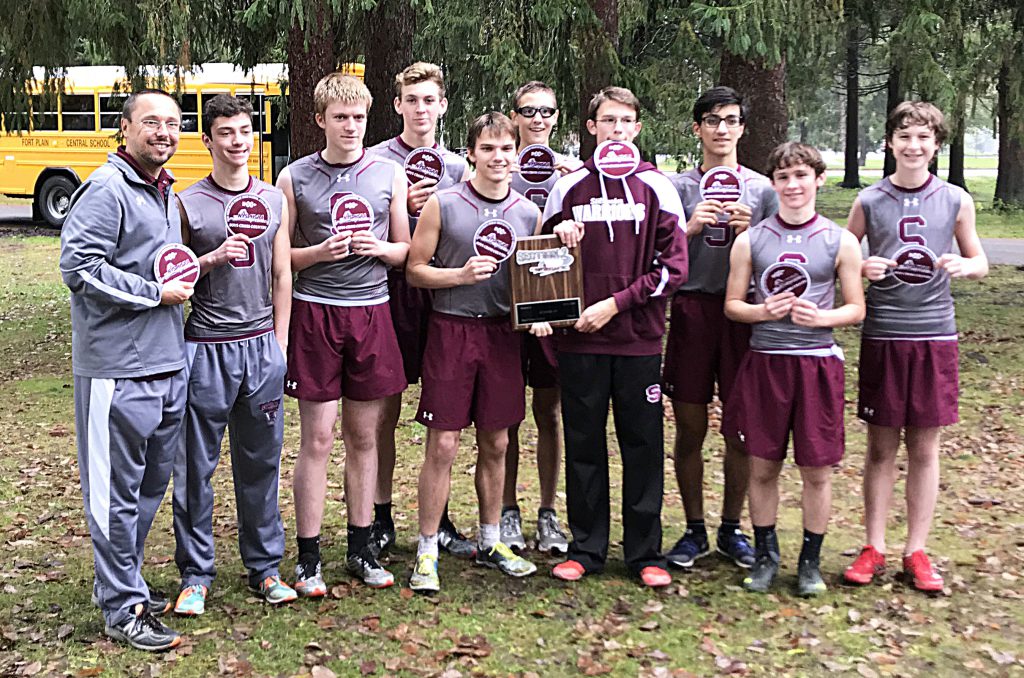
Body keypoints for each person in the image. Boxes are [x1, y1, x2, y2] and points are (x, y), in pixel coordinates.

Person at [59, 89, 192, 650]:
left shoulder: (163, 191)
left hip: (166, 364)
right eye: (151, 122)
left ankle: (119, 581)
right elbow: (78, 268)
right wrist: (153, 293)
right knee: (114, 493)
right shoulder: (107, 188)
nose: (163, 132)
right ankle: (122, 608)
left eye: (173, 123)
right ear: (125, 128)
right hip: (117, 369)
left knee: (148, 487)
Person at [542, 86, 688, 588]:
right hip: (581, 340)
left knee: (642, 444)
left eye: (627, 121)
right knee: (583, 445)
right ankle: (586, 548)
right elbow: (542, 264)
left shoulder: (658, 187)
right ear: (591, 128)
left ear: (638, 128)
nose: (618, 129)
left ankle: (645, 552)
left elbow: (674, 269)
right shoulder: (569, 188)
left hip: (638, 340)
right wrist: (559, 234)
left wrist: (616, 304)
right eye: (608, 121)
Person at [842, 102, 988, 593]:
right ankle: (874, 546)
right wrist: (863, 268)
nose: (913, 145)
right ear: (889, 143)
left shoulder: (955, 199)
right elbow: (839, 257)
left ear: (937, 146)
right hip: (884, 332)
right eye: (904, 136)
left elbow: (980, 260)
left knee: (925, 447)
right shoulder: (869, 200)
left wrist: (966, 267)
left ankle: (916, 550)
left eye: (924, 138)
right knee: (881, 447)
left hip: (934, 333)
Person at [279, 73, 411, 593]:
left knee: (363, 437)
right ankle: (308, 556)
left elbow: (405, 250)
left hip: (372, 313)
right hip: (316, 314)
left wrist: (378, 248)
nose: (351, 126)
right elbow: (280, 258)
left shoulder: (388, 175)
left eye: (358, 117)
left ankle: (361, 547)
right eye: (340, 117)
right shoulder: (295, 177)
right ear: (320, 121)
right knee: (316, 438)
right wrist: (319, 253)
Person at [170, 94, 296, 616]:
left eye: (245, 131)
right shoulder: (186, 203)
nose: (237, 141)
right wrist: (213, 257)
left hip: (261, 347)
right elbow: (172, 276)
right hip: (205, 349)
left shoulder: (272, 199)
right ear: (208, 140)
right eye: (226, 132)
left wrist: (280, 346)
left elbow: (282, 274)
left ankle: (264, 568)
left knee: (260, 464)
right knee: (195, 467)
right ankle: (196, 574)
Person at [406, 112, 542, 593]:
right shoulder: (444, 204)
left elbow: (536, 282)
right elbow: (415, 271)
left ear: (517, 154)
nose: (498, 157)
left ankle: (490, 539)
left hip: (503, 336)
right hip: (451, 331)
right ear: (471, 154)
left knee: (498, 442)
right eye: (488, 149)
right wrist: (458, 276)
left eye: (506, 149)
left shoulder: (528, 212)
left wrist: (541, 313)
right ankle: (426, 548)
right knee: (443, 444)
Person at [722, 142, 864, 597]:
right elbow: (732, 305)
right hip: (767, 363)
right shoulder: (752, 239)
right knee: (763, 466)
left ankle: (810, 562)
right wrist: (762, 312)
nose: (793, 185)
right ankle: (766, 556)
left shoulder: (839, 240)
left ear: (819, 179)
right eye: (784, 177)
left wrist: (822, 318)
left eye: (802, 176)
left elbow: (856, 308)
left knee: (816, 470)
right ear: (773, 184)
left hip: (817, 364)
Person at [663, 86, 778, 570]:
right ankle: (693, 529)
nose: (722, 129)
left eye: (731, 120)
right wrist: (687, 227)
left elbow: (783, 264)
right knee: (690, 427)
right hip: (692, 311)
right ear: (698, 129)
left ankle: (733, 528)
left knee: (740, 429)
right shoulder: (677, 187)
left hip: (743, 316)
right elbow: (655, 255)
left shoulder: (763, 190)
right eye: (712, 120)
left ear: (742, 129)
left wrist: (754, 235)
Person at [367, 62, 475, 560]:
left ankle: (442, 519)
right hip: (390, 293)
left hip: (442, 296)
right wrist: (399, 206)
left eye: (430, 100)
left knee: (444, 415)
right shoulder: (375, 161)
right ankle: (380, 516)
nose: (421, 109)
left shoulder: (459, 166)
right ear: (397, 106)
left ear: (443, 105)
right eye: (412, 100)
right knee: (384, 410)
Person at [500, 80, 581, 555]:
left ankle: (548, 513)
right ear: (514, 115)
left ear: (556, 117)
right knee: (505, 416)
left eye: (546, 111)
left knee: (548, 413)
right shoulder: (495, 166)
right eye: (528, 110)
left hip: (551, 311)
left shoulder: (570, 176)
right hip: (502, 312)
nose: (537, 118)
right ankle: (507, 511)